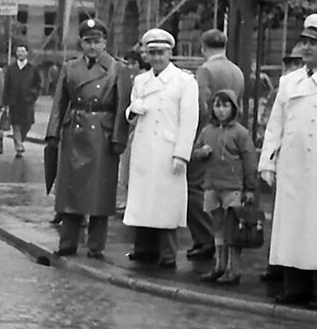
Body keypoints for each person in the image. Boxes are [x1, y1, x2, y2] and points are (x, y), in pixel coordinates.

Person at [258, 14, 317, 310]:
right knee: (292, 228)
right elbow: (275, 126)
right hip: (293, 167)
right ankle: (293, 286)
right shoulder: (288, 82)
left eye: (314, 43)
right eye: (304, 42)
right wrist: (268, 163)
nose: (307, 49)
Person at [46, 18, 131, 259]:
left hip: (101, 136)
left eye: (97, 41)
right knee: (70, 192)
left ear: (105, 43)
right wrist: (53, 132)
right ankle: (68, 242)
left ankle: (96, 246)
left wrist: (118, 139)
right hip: (75, 130)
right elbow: (59, 102)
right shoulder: (69, 67)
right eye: (87, 41)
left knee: (99, 193)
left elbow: (121, 104)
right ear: (81, 43)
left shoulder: (117, 69)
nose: (92, 47)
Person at [123, 28, 199, 269]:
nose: (156, 58)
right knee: (143, 201)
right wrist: (132, 110)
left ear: (170, 53)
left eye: (161, 53)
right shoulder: (141, 81)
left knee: (166, 205)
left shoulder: (185, 81)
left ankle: (167, 253)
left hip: (168, 150)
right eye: (152, 53)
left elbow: (189, 120)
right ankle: (143, 248)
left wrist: (182, 154)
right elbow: (131, 114)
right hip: (145, 147)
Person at [184, 28, 245, 264]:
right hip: (230, 135)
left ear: (203, 47)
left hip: (208, 133)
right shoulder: (237, 71)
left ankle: (205, 237)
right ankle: (218, 239)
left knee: (196, 188)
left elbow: (202, 105)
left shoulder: (205, 70)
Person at [191, 89, 257, 284]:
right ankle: (219, 265)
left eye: (225, 106)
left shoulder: (241, 133)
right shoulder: (207, 131)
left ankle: (233, 268)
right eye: (217, 105)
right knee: (218, 228)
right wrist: (200, 153)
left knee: (233, 231)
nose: (220, 110)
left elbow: (249, 160)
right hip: (212, 186)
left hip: (233, 187)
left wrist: (250, 188)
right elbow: (196, 152)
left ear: (233, 108)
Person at [258, 49, 304, 285]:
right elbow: (271, 123)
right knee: (280, 219)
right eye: (289, 63)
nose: (292, 67)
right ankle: (276, 265)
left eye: (295, 62)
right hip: (285, 160)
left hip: (305, 163)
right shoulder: (282, 88)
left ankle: (287, 268)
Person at [2, 42, 42, 157]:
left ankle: (21, 139)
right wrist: (5, 102)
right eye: (18, 51)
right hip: (14, 101)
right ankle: (18, 146)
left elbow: (38, 84)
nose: (20, 53)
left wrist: (33, 95)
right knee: (16, 124)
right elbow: (7, 85)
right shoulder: (11, 69)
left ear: (27, 53)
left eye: (23, 51)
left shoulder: (33, 68)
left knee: (27, 123)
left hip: (27, 101)